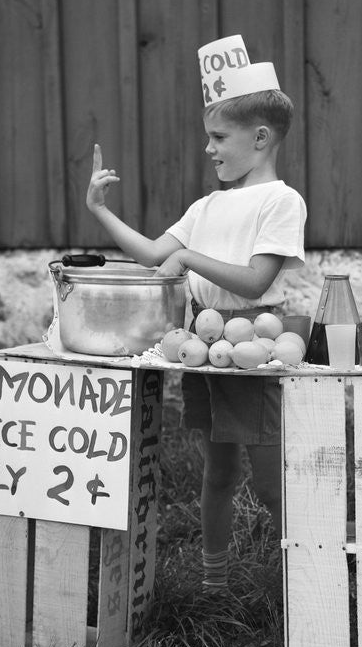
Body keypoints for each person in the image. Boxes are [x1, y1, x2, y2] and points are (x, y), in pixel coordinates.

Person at [86, 35, 307, 593]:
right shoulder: (206, 206)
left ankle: (299, 583)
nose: (208, 149)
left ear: (260, 138)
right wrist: (99, 211)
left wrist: (188, 257)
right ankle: (214, 582)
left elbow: (258, 279)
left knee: (269, 476)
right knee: (220, 470)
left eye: (218, 137)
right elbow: (154, 255)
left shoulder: (281, 201)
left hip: (252, 342)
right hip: (206, 347)